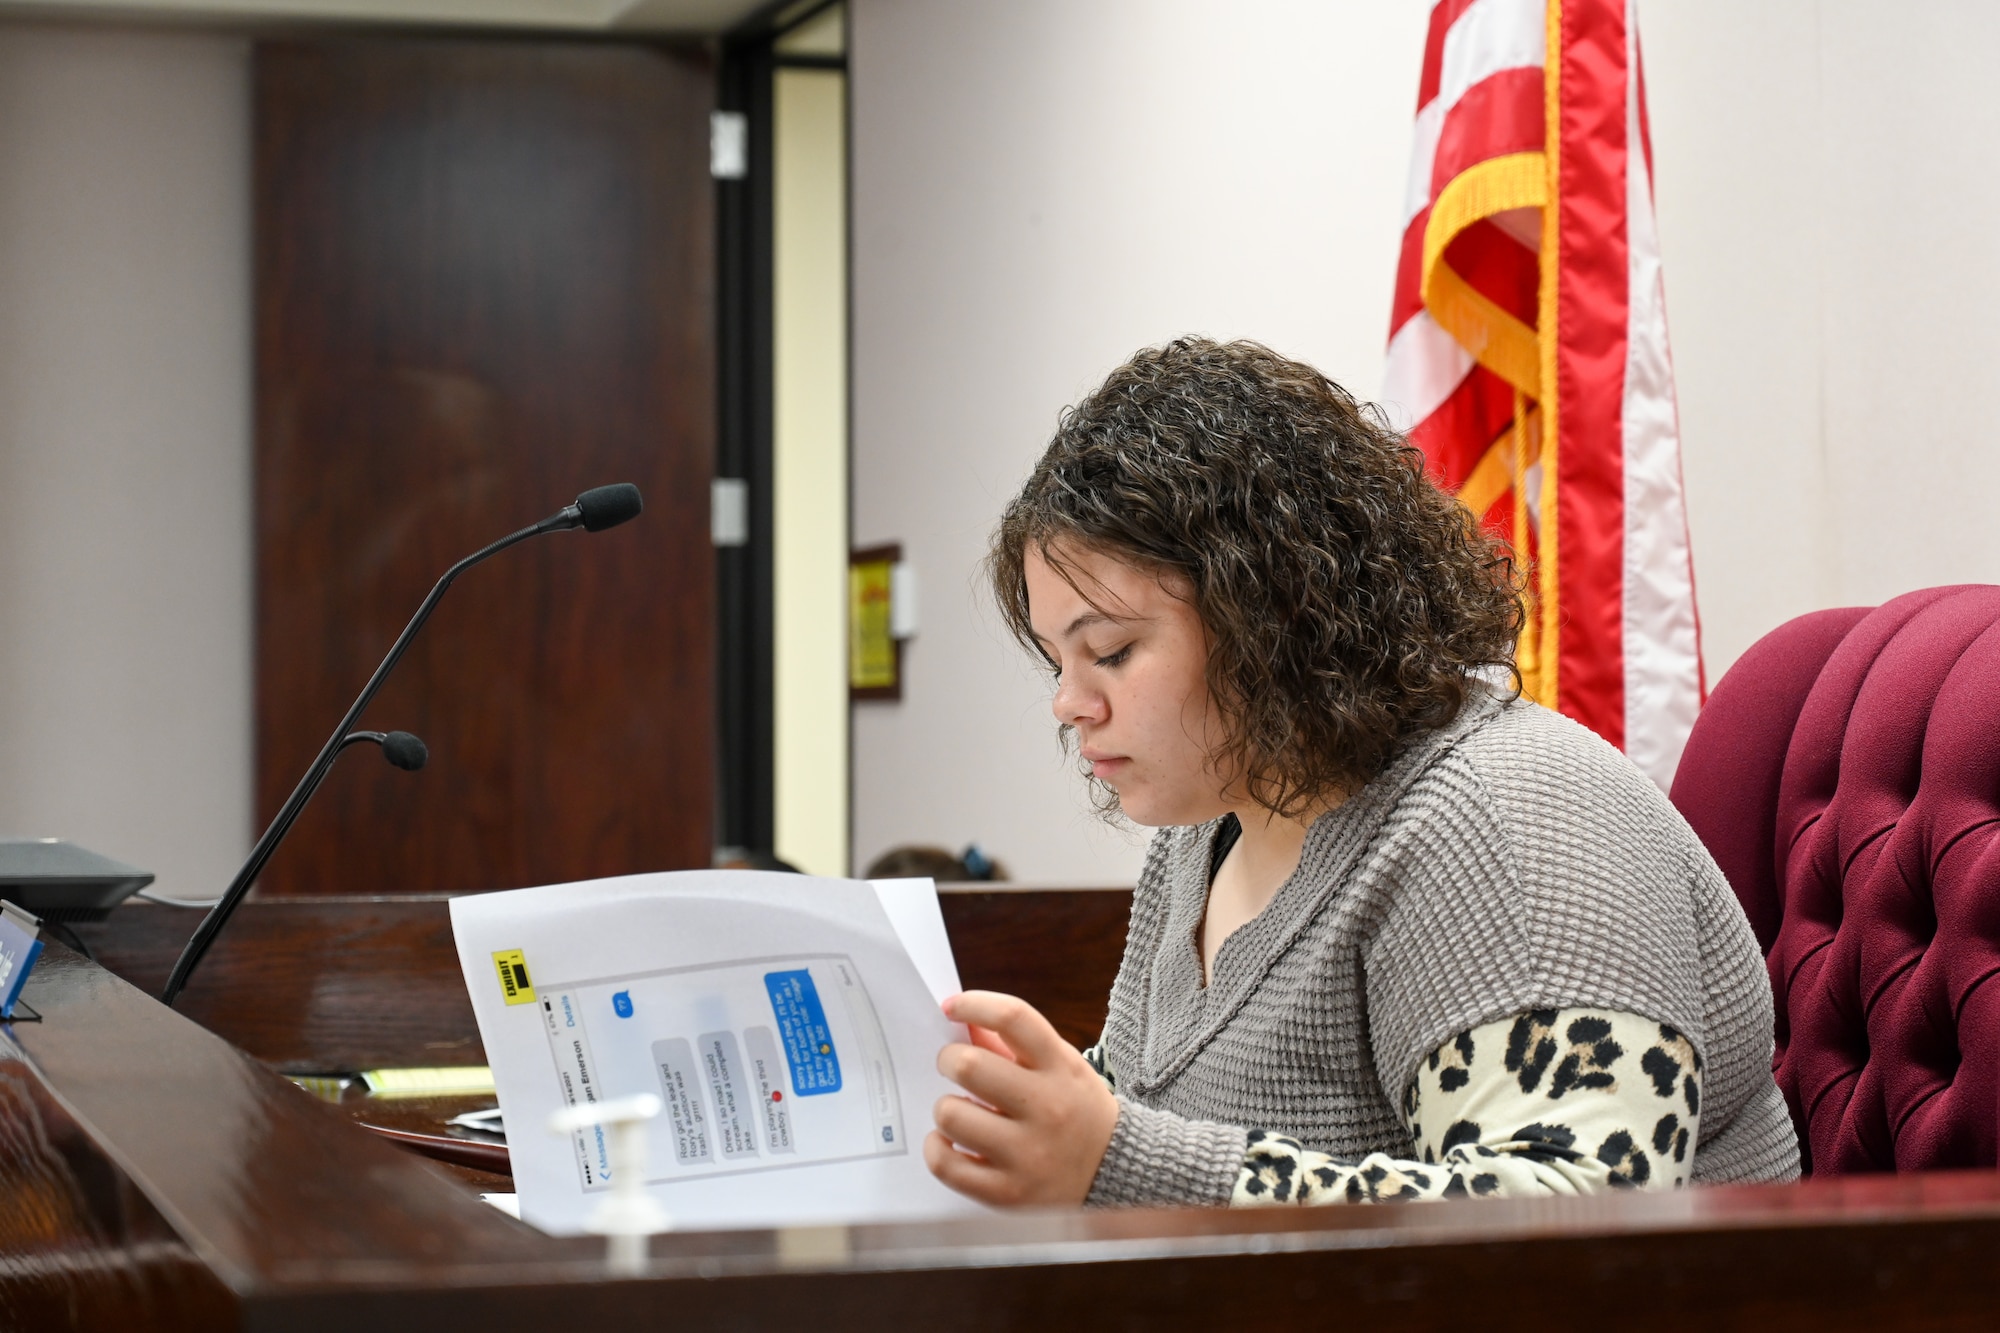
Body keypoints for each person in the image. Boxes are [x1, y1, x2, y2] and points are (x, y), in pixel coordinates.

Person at [921, 338, 1799, 1209]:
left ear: (1268, 612)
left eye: (1109, 651)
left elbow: (1578, 1231)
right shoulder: (1209, 826)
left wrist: (1114, 1163)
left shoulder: (1508, 817)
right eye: (1057, 661)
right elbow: (1138, 1116)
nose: (1070, 703)